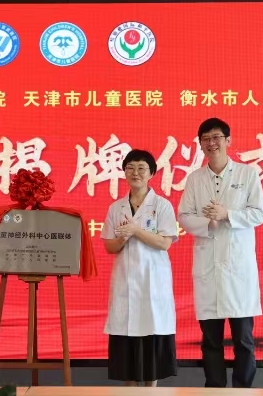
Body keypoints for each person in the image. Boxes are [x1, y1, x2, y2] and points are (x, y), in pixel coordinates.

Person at [178, 117, 263, 388]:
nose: (211, 143)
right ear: (200, 144)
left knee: (244, 341)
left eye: (216, 137)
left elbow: (259, 214)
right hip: (208, 269)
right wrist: (209, 222)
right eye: (205, 139)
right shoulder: (195, 179)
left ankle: (243, 390)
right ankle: (214, 390)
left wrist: (227, 214)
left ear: (228, 140)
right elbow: (184, 216)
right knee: (211, 342)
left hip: (239, 271)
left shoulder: (247, 174)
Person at [101, 149, 180, 387]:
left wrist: (135, 231)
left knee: (151, 338)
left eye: (141, 168)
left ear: (151, 173)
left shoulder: (162, 205)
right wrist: (123, 238)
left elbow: (165, 243)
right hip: (125, 282)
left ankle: (151, 391)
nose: (135, 172)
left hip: (152, 283)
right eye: (130, 168)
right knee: (126, 347)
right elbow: (109, 246)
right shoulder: (116, 208)